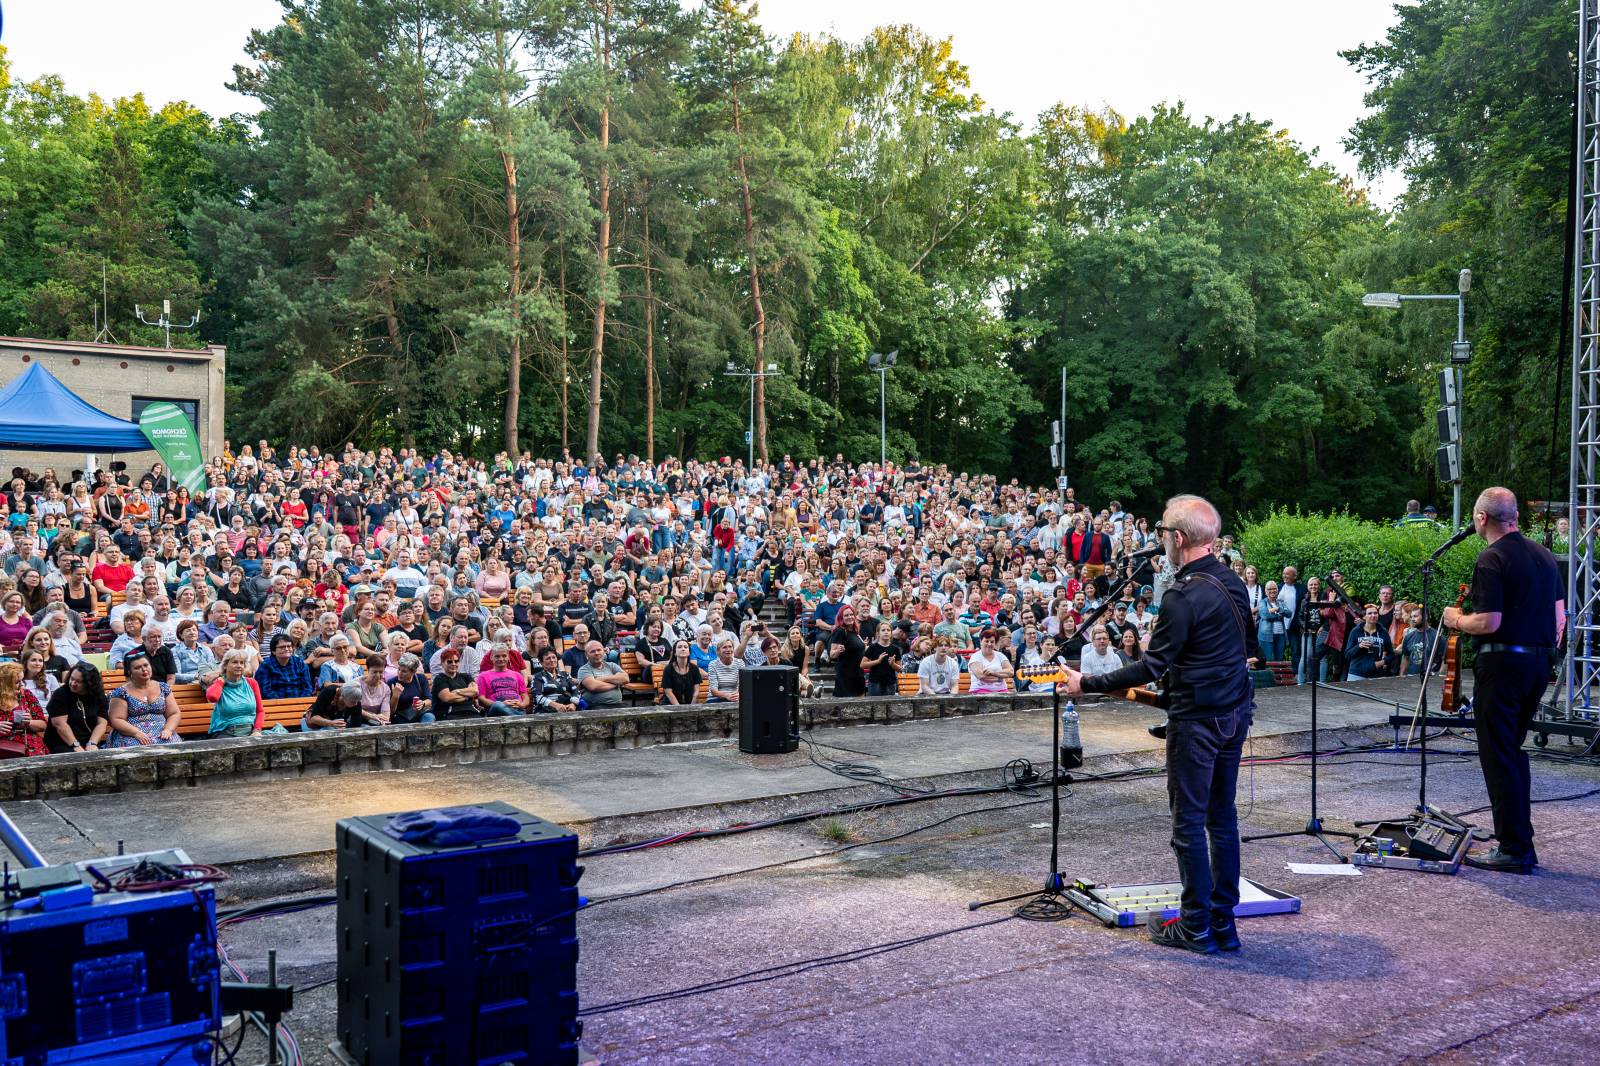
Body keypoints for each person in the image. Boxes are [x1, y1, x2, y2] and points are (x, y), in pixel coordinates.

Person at [1064, 494, 1258, 955]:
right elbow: (1240, 647)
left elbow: (1150, 666)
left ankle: (1194, 925)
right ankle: (1222, 924)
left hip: (1198, 722)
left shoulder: (1183, 594)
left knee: (1188, 823)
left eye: (1163, 533)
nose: (1161, 541)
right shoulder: (1233, 582)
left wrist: (1086, 683)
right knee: (1222, 817)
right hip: (1234, 712)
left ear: (1177, 538)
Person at [1441, 487, 1565, 874]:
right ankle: (1517, 838)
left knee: (1498, 754)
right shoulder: (1545, 556)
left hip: (1502, 667)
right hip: (1538, 665)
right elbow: (1560, 619)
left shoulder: (1491, 558)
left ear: (1481, 518)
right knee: (1511, 751)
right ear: (1514, 516)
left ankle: (1514, 847)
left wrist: (1455, 620)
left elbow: (1488, 622)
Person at [107, 650, 183, 747]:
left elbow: (174, 713)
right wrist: (136, 733)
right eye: (138, 667)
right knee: (136, 747)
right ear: (130, 672)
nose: (144, 669)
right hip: (131, 734)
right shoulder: (121, 692)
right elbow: (116, 719)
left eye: (146, 665)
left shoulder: (163, 688)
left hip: (162, 732)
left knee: (172, 744)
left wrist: (168, 729)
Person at [45, 662, 109, 754]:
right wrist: (76, 745)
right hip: (62, 742)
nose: (73, 683)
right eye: (72, 679)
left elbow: (102, 723)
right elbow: (60, 724)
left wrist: (92, 743)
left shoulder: (98, 695)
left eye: (79, 681)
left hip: (88, 741)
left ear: (89, 684)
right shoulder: (61, 694)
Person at [204, 650, 266, 738]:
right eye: (235, 662)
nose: (239, 666)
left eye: (242, 663)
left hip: (250, 732)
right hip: (225, 732)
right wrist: (220, 681)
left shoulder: (252, 683)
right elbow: (212, 697)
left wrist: (257, 730)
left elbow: (260, 711)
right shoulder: (219, 683)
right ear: (225, 665)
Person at [0, 661, 48, 757]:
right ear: (4, 684)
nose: (22, 685)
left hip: (28, 742)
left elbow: (43, 725)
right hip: (3, 746)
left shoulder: (26, 695)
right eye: (17, 682)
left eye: (22, 681)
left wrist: (29, 722)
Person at [476, 644, 530, 716]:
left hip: (517, 708)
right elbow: (481, 699)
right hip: (496, 711)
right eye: (497, 656)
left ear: (508, 657)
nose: (501, 659)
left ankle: (516, 716)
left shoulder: (517, 675)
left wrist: (521, 705)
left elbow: (525, 697)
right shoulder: (483, 676)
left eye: (504, 656)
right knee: (497, 705)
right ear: (491, 657)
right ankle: (519, 718)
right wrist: (502, 704)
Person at [1343, 604, 1394, 680]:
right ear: (1364, 617)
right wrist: (1359, 646)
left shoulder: (1383, 632)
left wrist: (1381, 663)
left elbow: (1391, 654)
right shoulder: (1356, 631)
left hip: (1376, 675)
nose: (1373, 615)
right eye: (1369, 613)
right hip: (1356, 673)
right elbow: (1347, 655)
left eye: (1375, 613)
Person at [827, 604, 867, 698]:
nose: (850, 617)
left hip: (858, 673)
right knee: (847, 707)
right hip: (846, 676)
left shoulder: (854, 631)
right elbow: (832, 655)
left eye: (851, 614)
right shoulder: (840, 631)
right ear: (841, 618)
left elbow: (861, 649)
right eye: (846, 615)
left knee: (860, 704)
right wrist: (838, 651)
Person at [576, 640, 629, 708]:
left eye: (599, 650)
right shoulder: (583, 669)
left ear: (604, 652)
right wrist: (616, 683)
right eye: (592, 651)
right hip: (596, 706)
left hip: (618, 705)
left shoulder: (612, 666)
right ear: (586, 655)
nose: (597, 653)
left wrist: (601, 679)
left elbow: (625, 678)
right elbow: (594, 686)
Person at [430, 648, 478, 719]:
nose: (453, 664)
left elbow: (475, 691)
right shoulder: (440, 679)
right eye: (449, 662)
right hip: (450, 714)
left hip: (471, 711)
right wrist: (468, 695)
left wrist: (457, 691)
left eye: (456, 661)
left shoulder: (466, 676)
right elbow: (448, 698)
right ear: (442, 663)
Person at [967, 627, 1014, 694]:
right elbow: (981, 676)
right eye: (986, 641)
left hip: (1002, 690)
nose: (989, 644)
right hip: (980, 690)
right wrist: (1000, 677)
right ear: (981, 642)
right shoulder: (975, 657)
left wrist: (993, 672)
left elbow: (1011, 672)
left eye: (992, 642)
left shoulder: (1000, 655)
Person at [659, 639, 703, 705]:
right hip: (670, 705)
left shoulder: (694, 668)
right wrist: (680, 708)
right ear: (675, 653)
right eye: (679, 647)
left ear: (689, 652)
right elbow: (669, 693)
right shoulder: (668, 669)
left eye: (685, 647)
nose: (683, 649)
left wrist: (692, 706)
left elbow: (696, 691)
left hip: (690, 704)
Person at [1399, 608, 1440, 676]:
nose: (1412, 619)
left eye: (1415, 616)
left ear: (1425, 617)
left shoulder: (1437, 636)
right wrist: (1401, 676)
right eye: (1411, 616)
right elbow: (1405, 659)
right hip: (1410, 678)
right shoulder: (1408, 637)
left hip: (1430, 679)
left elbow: (1444, 661)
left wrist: (1439, 677)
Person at [705, 636, 743, 703]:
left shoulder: (740, 663)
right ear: (718, 651)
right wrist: (726, 695)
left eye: (730, 646)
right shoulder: (712, 664)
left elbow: (742, 685)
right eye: (724, 647)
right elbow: (714, 690)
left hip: (735, 698)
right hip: (716, 698)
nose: (728, 649)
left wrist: (736, 695)